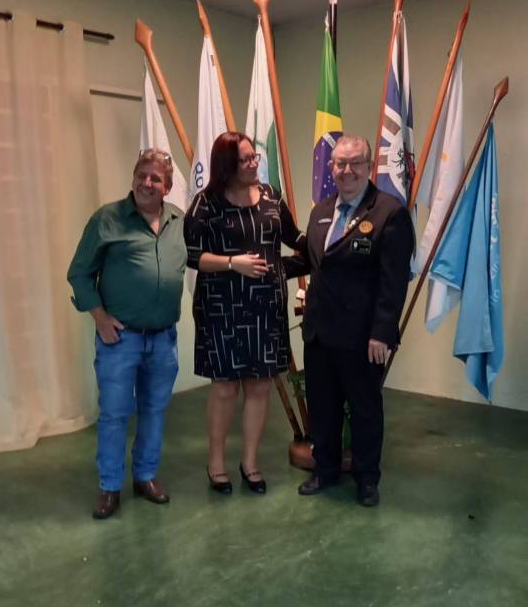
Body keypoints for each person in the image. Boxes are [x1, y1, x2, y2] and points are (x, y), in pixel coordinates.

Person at [288, 134, 414, 506]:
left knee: (364, 409)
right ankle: (325, 470)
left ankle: (367, 478)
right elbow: (313, 262)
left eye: (355, 163)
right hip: (319, 331)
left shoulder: (389, 212)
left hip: (362, 337)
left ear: (369, 166)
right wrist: (267, 266)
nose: (347, 170)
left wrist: (382, 333)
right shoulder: (321, 211)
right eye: (340, 163)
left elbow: (393, 282)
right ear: (331, 167)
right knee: (322, 408)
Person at [67, 149, 186, 520]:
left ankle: (145, 476)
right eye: (141, 175)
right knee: (115, 414)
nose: (147, 183)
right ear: (134, 178)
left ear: (167, 186)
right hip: (120, 339)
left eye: (156, 178)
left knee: (155, 410)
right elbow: (79, 273)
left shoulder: (178, 221)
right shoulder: (107, 219)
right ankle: (109, 486)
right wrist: (100, 318)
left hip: (163, 338)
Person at [184, 132, 305, 495]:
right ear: (227, 166)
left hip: (266, 308)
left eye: (255, 157)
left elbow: (294, 238)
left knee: (260, 385)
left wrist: (327, 241)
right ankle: (216, 463)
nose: (255, 163)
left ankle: (250, 463)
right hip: (222, 308)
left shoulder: (271, 197)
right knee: (224, 388)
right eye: (246, 159)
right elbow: (191, 255)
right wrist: (232, 262)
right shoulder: (206, 203)